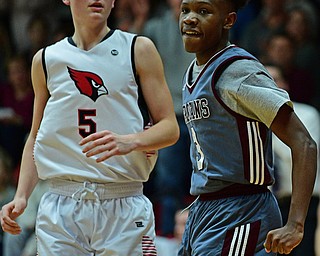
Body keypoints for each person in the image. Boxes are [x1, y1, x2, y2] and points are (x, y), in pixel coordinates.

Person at [0, 1, 179, 255]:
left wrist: (131, 140)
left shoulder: (138, 49)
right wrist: (21, 196)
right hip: (62, 205)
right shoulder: (45, 60)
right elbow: (36, 136)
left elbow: (171, 128)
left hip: (123, 202)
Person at [178, 0, 317, 255]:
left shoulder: (238, 71)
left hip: (243, 211)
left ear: (228, 21)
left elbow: (304, 143)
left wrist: (296, 224)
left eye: (204, 11)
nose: (190, 18)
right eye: (186, 9)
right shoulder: (194, 71)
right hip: (204, 210)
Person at [142, 0, 194, 236]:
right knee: (167, 183)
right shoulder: (154, 28)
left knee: (205, 180)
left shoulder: (202, 23)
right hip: (167, 115)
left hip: (199, 114)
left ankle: (203, 237)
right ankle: (165, 238)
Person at [266, 64, 320, 255]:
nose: (269, 85)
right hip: (269, 201)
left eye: (275, 80)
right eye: (265, 80)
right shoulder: (253, 120)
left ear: (285, 85)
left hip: (303, 200)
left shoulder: (307, 113)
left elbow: (299, 152)